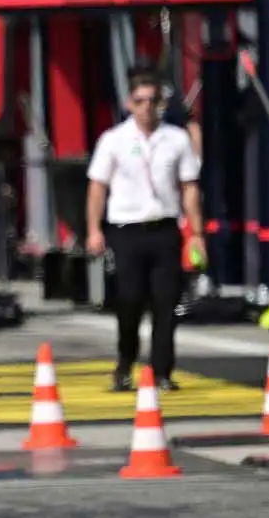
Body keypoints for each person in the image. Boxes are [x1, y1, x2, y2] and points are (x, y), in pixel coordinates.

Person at [86, 66, 204, 392]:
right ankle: (125, 362)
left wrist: (196, 233)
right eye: (140, 101)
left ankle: (162, 370)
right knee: (129, 300)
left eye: (152, 101)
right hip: (126, 229)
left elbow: (189, 188)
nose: (146, 107)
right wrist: (94, 230)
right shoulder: (114, 140)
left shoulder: (176, 140)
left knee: (166, 302)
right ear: (130, 103)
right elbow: (97, 187)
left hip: (165, 228)